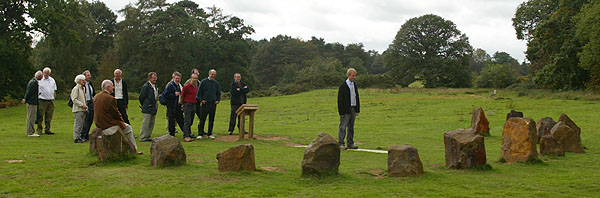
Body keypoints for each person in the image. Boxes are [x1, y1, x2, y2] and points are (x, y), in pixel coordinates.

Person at [94, 80, 142, 155]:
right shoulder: (110, 98)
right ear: (108, 87)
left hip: (98, 123)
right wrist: (121, 121)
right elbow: (116, 113)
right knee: (128, 128)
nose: (113, 87)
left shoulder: (96, 96)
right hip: (108, 123)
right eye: (112, 86)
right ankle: (134, 150)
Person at [337, 68, 360, 150]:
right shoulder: (343, 86)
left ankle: (350, 143)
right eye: (353, 76)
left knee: (351, 127)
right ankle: (341, 143)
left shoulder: (354, 85)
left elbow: (356, 97)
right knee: (343, 127)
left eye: (355, 76)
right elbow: (340, 100)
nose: (354, 77)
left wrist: (357, 109)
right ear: (349, 75)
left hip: (353, 108)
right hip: (346, 110)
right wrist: (341, 112)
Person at [196, 69, 220, 140]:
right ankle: (200, 133)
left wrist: (218, 100)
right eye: (212, 74)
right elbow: (199, 93)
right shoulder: (203, 82)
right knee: (202, 118)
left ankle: (210, 133)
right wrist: (201, 100)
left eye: (214, 74)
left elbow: (218, 93)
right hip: (205, 103)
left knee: (211, 119)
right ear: (209, 74)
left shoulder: (216, 83)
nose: (213, 76)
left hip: (213, 103)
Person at [22, 71, 43, 137]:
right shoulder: (34, 82)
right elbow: (29, 92)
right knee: (31, 117)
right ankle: (30, 132)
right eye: (41, 76)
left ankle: (30, 131)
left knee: (30, 117)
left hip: (31, 101)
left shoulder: (33, 81)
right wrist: (25, 99)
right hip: (32, 102)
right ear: (39, 76)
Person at [139, 72, 158, 142]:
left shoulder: (155, 86)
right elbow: (141, 97)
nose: (155, 80)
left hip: (154, 107)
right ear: (149, 78)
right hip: (147, 107)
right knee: (146, 122)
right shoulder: (146, 86)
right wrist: (145, 104)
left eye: (155, 78)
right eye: (153, 78)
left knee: (152, 122)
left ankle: (148, 136)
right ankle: (143, 137)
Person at [37, 67, 57, 135]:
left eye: (47, 74)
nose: (45, 75)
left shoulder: (52, 80)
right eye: (45, 73)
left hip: (50, 100)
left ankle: (47, 129)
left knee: (49, 116)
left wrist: (54, 100)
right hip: (42, 100)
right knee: (40, 115)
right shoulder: (39, 80)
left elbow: (54, 90)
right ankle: (39, 129)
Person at [164, 72, 185, 137]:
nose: (178, 80)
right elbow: (165, 95)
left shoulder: (180, 85)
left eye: (179, 78)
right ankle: (171, 134)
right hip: (171, 106)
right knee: (171, 120)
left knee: (181, 119)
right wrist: (173, 94)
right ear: (173, 78)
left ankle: (186, 132)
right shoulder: (170, 85)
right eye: (176, 78)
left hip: (178, 105)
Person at [181, 73, 199, 142]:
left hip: (193, 104)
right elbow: (182, 96)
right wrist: (182, 104)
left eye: (196, 79)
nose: (194, 80)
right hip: (187, 104)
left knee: (191, 120)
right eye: (193, 78)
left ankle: (189, 133)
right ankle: (185, 136)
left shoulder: (195, 87)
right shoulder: (186, 87)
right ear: (190, 79)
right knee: (187, 121)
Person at [71, 75, 88, 143]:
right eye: (82, 80)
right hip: (78, 109)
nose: (84, 81)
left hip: (83, 109)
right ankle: (76, 137)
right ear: (79, 81)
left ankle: (79, 137)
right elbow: (74, 99)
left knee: (82, 124)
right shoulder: (76, 88)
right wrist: (82, 105)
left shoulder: (82, 88)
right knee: (78, 123)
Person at [80, 70, 95, 141]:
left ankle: (86, 134)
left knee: (90, 119)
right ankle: (82, 135)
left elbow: (93, 93)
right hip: (85, 103)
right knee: (85, 119)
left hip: (91, 103)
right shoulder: (82, 84)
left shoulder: (90, 84)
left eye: (90, 75)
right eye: (88, 75)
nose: (90, 76)